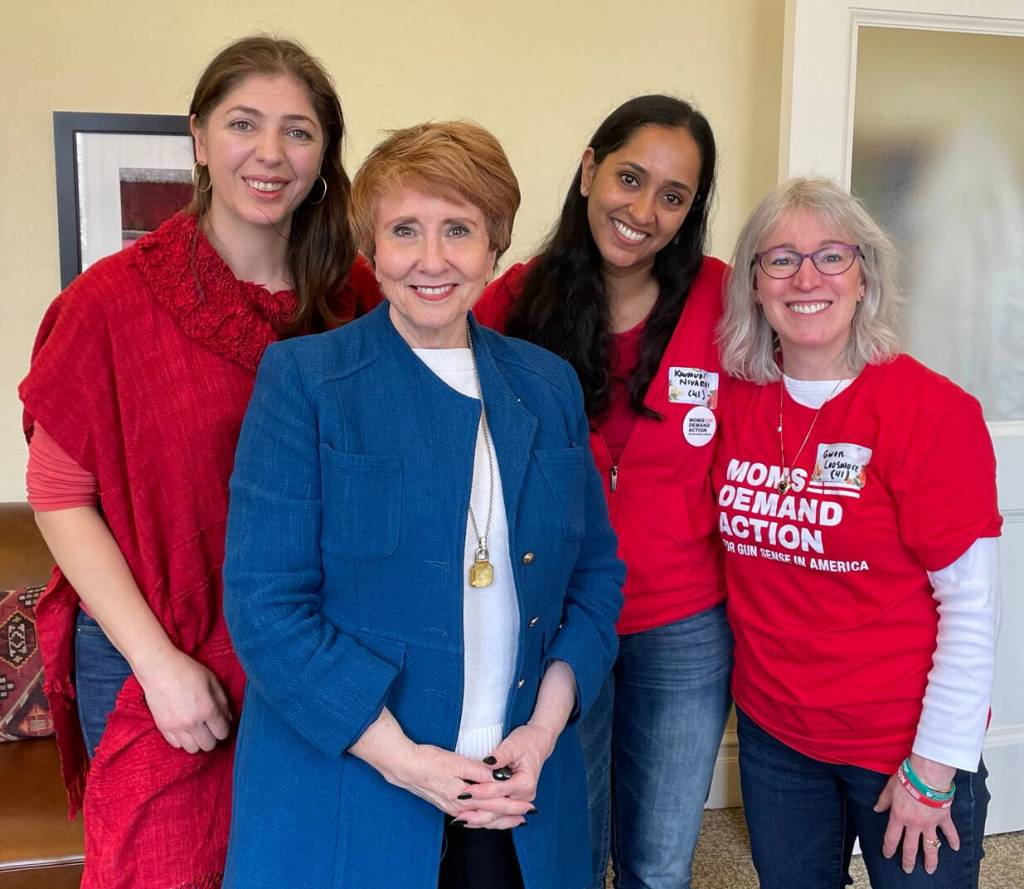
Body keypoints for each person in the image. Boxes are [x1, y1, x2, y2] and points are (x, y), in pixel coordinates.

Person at [220, 120, 624, 889]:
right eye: (405, 229)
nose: (431, 259)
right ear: (371, 247)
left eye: (459, 230)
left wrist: (542, 733)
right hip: (350, 793)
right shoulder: (304, 381)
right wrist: (406, 762)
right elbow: (265, 606)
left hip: (517, 794)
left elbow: (595, 580)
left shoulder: (547, 384)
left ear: (495, 244)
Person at [19, 36, 380, 889]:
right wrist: (159, 666)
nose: (270, 152)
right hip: (160, 653)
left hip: (307, 649)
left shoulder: (356, 298)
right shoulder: (110, 302)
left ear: (325, 155)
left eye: (298, 131)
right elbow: (58, 491)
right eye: (243, 124)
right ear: (199, 137)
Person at [474, 95, 732, 889]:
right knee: (568, 855)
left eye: (673, 196)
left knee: (659, 861)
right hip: (557, 619)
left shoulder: (724, 298)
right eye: (630, 178)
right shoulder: (514, 302)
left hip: (682, 621)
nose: (644, 211)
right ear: (589, 170)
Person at [714, 177, 1001, 888]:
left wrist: (934, 767)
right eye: (781, 259)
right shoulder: (735, 399)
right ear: (755, 284)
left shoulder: (931, 411)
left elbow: (971, 605)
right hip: (776, 735)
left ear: (864, 275)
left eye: (831, 256)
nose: (806, 278)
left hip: (901, 742)